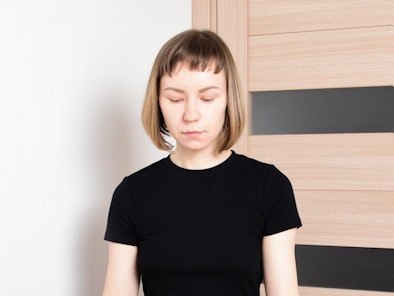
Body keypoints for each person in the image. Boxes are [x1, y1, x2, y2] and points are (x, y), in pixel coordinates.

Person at [102, 29, 302, 296]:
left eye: (208, 98)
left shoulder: (269, 186)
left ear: (228, 100)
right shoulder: (131, 194)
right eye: (175, 99)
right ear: (158, 102)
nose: (191, 114)